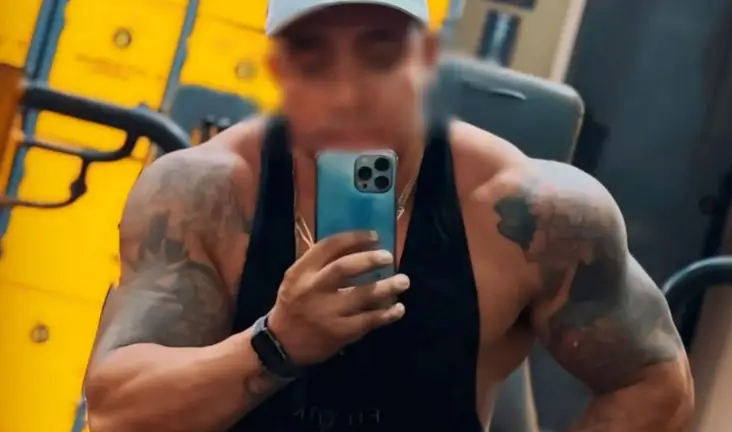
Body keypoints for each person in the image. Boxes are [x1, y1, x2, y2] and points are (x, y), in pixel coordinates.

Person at [83, 1, 694, 431]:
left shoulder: (531, 214)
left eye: (378, 56)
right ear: (279, 71)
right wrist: (276, 344)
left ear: (424, 60)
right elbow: (116, 414)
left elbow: (654, 383)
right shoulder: (204, 195)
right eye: (315, 60)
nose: (348, 94)